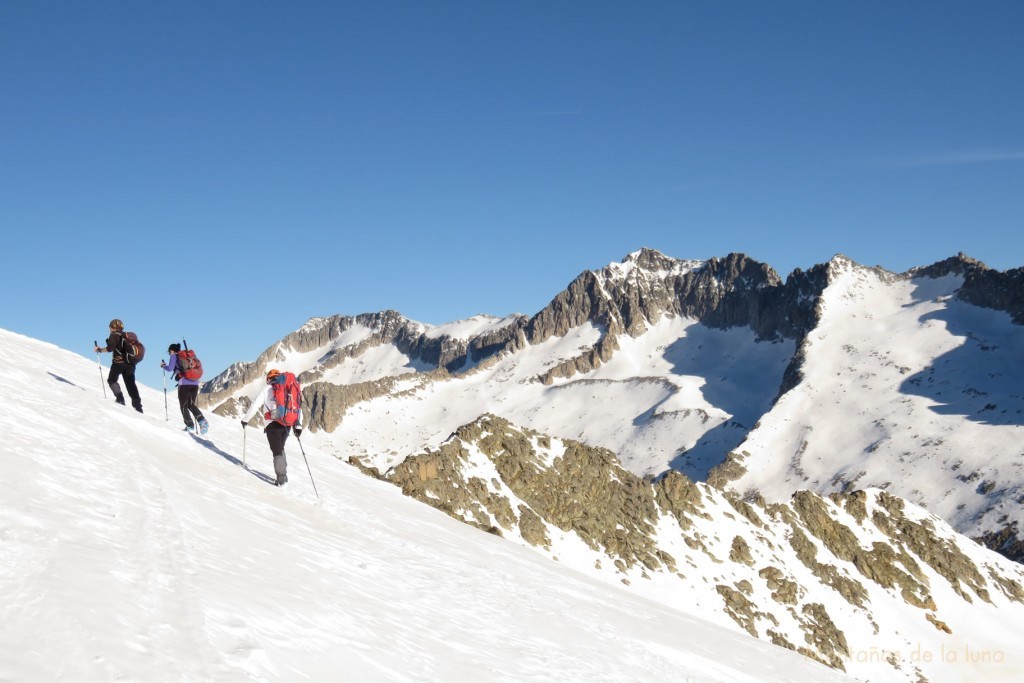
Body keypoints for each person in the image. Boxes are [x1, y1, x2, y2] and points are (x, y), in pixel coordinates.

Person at [241, 369, 303, 487]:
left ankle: (282, 480)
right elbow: (297, 406)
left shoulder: (267, 389)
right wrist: (298, 425)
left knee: (277, 451)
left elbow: (255, 405)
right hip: (287, 423)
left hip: (272, 424)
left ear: (269, 379)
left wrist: (245, 419)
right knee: (280, 448)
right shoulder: (288, 388)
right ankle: (283, 476)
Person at [94, 318, 143, 413]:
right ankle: (138, 407)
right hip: (130, 363)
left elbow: (110, 348)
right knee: (130, 384)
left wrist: (100, 350)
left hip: (118, 363)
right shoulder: (126, 336)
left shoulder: (113, 335)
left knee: (112, 380)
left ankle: (120, 398)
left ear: (112, 328)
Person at [161, 343, 209, 435]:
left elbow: (170, 368)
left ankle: (190, 426)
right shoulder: (188, 356)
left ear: (171, 350)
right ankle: (203, 421)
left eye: (169, 351)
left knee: (184, 405)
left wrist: (163, 366)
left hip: (184, 383)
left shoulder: (174, 356)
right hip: (195, 382)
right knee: (191, 404)